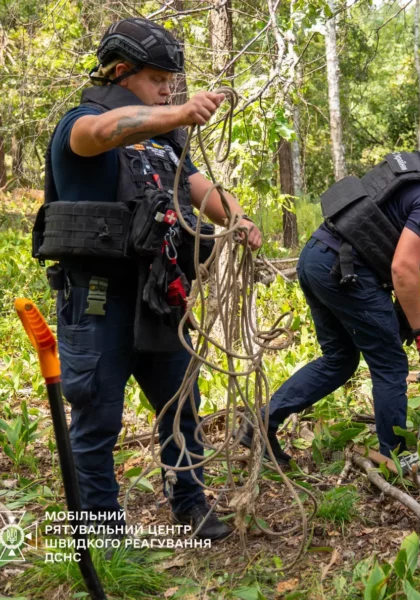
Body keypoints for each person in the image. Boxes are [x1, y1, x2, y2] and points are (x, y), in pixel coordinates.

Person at [34, 18, 263, 541]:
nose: (167, 88)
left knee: (181, 407)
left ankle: (190, 504)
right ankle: (102, 532)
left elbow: (203, 189)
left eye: (171, 80)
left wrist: (239, 219)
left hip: (162, 297)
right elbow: (93, 135)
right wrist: (175, 111)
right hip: (98, 300)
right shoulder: (83, 122)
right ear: (121, 72)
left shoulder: (164, 140)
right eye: (157, 77)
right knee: (97, 420)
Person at [241, 128, 420, 461]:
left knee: (339, 360)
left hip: (317, 258)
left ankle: (261, 422)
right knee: (390, 365)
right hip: (345, 272)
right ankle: (395, 458)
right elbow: (403, 267)